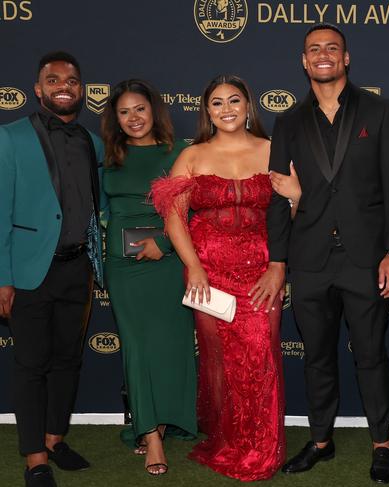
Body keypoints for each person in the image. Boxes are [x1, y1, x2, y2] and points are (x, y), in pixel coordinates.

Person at [265, 23, 389, 484]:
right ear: (304, 62)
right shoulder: (287, 121)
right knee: (317, 357)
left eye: (332, 48)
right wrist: (277, 260)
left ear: (346, 58)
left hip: (366, 258)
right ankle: (321, 441)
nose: (323, 55)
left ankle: (382, 444)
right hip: (309, 260)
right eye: (314, 50)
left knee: (370, 355)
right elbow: (276, 196)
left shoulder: (380, 110)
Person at [151, 74, 285, 481]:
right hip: (209, 273)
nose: (226, 109)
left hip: (262, 271)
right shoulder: (193, 155)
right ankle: (228, 438)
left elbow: (291, 214)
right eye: (217, 103)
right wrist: (193, 265)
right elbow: (173, 216)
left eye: (234, 101)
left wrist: (280, 260)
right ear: (207, 111)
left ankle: (262, 447)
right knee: (220, 361)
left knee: (261, 354)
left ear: (249, 106)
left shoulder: (274, 150)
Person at [0, 51, 104, 487]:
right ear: (39, 88)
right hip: (27, 270)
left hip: (76, 268)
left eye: (73, 80)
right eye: (54, 79)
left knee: (68, 360)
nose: (65, 85)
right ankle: (35, 458)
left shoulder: (92, 142)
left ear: (81, 90)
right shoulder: (10, 138)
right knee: (30, 365)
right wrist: (3, 277)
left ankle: (55, 438)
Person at [101, 79, 197, 476]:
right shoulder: (108, 154)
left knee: (169, 345)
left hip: (168, 257)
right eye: (124, 112)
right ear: (115, 118)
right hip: (123, 266)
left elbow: (193, 211)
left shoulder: (180, 153)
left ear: (154, 110)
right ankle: (149, 433)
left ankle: (163, 419)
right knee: (137, 347)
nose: (133, 118)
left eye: (139, 109)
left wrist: (165, 242)